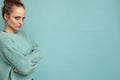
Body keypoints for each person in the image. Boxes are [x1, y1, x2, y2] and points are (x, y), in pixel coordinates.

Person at [0, 0, 42, 80]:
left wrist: (25, 63)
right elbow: (25, 69)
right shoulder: (3, 39)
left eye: (23, 18)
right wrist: (27, 64)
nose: (21, 22)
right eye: (17, 18)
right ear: (6, 16)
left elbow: (39, 52)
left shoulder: (23, 34)